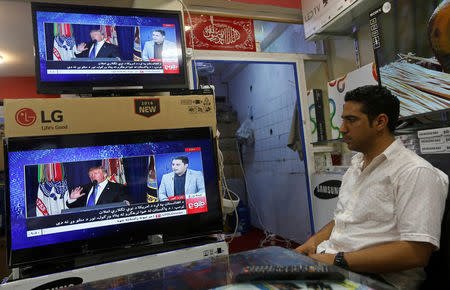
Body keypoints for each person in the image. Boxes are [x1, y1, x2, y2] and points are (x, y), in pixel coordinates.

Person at [295, 85, 448, 289]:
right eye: (343, 119)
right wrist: (313, 242)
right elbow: (346, 218)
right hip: (338, 265)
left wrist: (336, 260)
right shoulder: (356, 166)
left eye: (351, 120)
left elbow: (415, 253)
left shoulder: (415, 172)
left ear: (380, 122)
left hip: (377, 280)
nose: (342, 128)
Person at [67, 166, 131, 208]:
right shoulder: (83, 188)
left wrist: (125, 202)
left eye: (95, 173)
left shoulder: (117, 187)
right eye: (90, 175)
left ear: (105, 174)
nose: (92, 176)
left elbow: (124, 201)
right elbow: (72, 207)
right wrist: (72, 199)